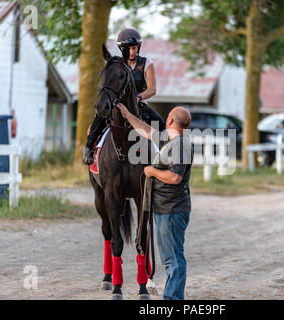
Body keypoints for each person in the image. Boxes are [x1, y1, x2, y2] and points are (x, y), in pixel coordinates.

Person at [117, 102, 193, 300]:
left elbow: (175, 178)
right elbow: (148, 132)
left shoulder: (181, 145)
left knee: (173, 260)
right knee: (171, 258)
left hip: (171, 210)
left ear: (169, 120)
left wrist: (152, 171)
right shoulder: (172, 140)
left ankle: (172, 299)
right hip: (165, 209)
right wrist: (127, 115)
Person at [83, 28, 165, 165]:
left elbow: (152, 89)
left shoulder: (147, 64)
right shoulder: (116, 65)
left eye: (134, 48)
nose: (132, 52)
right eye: (129, 49)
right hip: (117, 104)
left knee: (160, 123)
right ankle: (88, 148)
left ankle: (167, 152)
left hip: (138, 104)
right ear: (122, 50)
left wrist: (138, 97)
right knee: (99, 118)